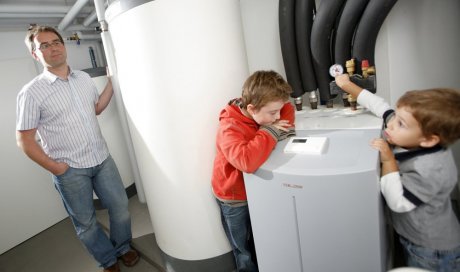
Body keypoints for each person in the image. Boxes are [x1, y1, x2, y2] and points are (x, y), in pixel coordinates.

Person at [16, 25, 139, 272]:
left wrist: (112, 83)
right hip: (70, 170)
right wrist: (56, 168)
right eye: (44, 45)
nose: (53, 48)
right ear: (35, 54)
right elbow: (25, 141)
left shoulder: (83, 78)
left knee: (120, 209)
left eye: (56, 42)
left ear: (64, 45)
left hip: (102, 159)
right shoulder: (31, 93)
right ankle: (108, 260)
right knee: (86, 223)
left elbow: (96, 108)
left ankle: (123, 247)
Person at [335, 74, 460, 272]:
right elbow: (381, 106)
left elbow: (398, 202)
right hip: (413, 234)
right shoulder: (411, 132)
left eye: (401, 124)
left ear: (428, 140)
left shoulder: (431, 169)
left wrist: (388, 160)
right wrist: (347, 85)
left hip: (431, 249)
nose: (391, 125)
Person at [211, 70, 296, 271]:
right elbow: (246, 161)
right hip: (234, 197)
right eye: (273, 113)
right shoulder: (229, 127)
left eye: (278, 111)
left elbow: (288, 110)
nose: (278, 116)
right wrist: (270, 132)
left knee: (260, 238)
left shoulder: (268, 109)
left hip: (257, 190)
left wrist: (270, 126)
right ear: (251, 108)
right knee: (243, 249)